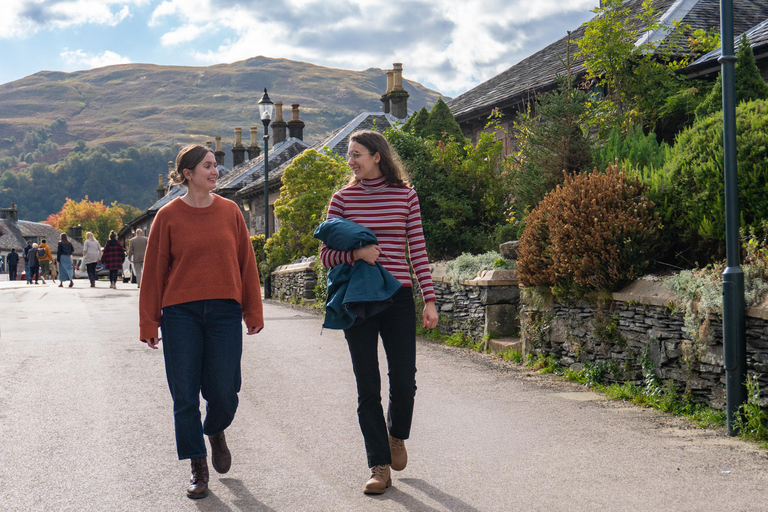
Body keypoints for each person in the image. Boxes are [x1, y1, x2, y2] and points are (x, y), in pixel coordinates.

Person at [139, 144, 264, 500]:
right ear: (188, 174)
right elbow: (153, 274)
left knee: (224, 392)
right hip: (181, 315)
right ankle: (197, 465)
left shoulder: (230, 212)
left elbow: (246, 264)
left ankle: (215, 429)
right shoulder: (167, 216)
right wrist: (150, 322)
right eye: (208, 166)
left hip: (225, 313)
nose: (215, 171)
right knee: (184, 396)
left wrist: (252, 311)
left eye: (215, 165)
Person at [319, 130, 439, 495]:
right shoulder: (341, 200)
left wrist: (429, 299)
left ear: (376, 156)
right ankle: (379, 465)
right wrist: (356, 254)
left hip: (399, 296)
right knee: (367, 384)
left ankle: (396, 434)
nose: (351, 161)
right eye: (349, 155)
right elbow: (325, 256)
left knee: (404, 380)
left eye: (357, 154)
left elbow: (416, 249)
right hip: (359, 298)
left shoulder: (406, 196)